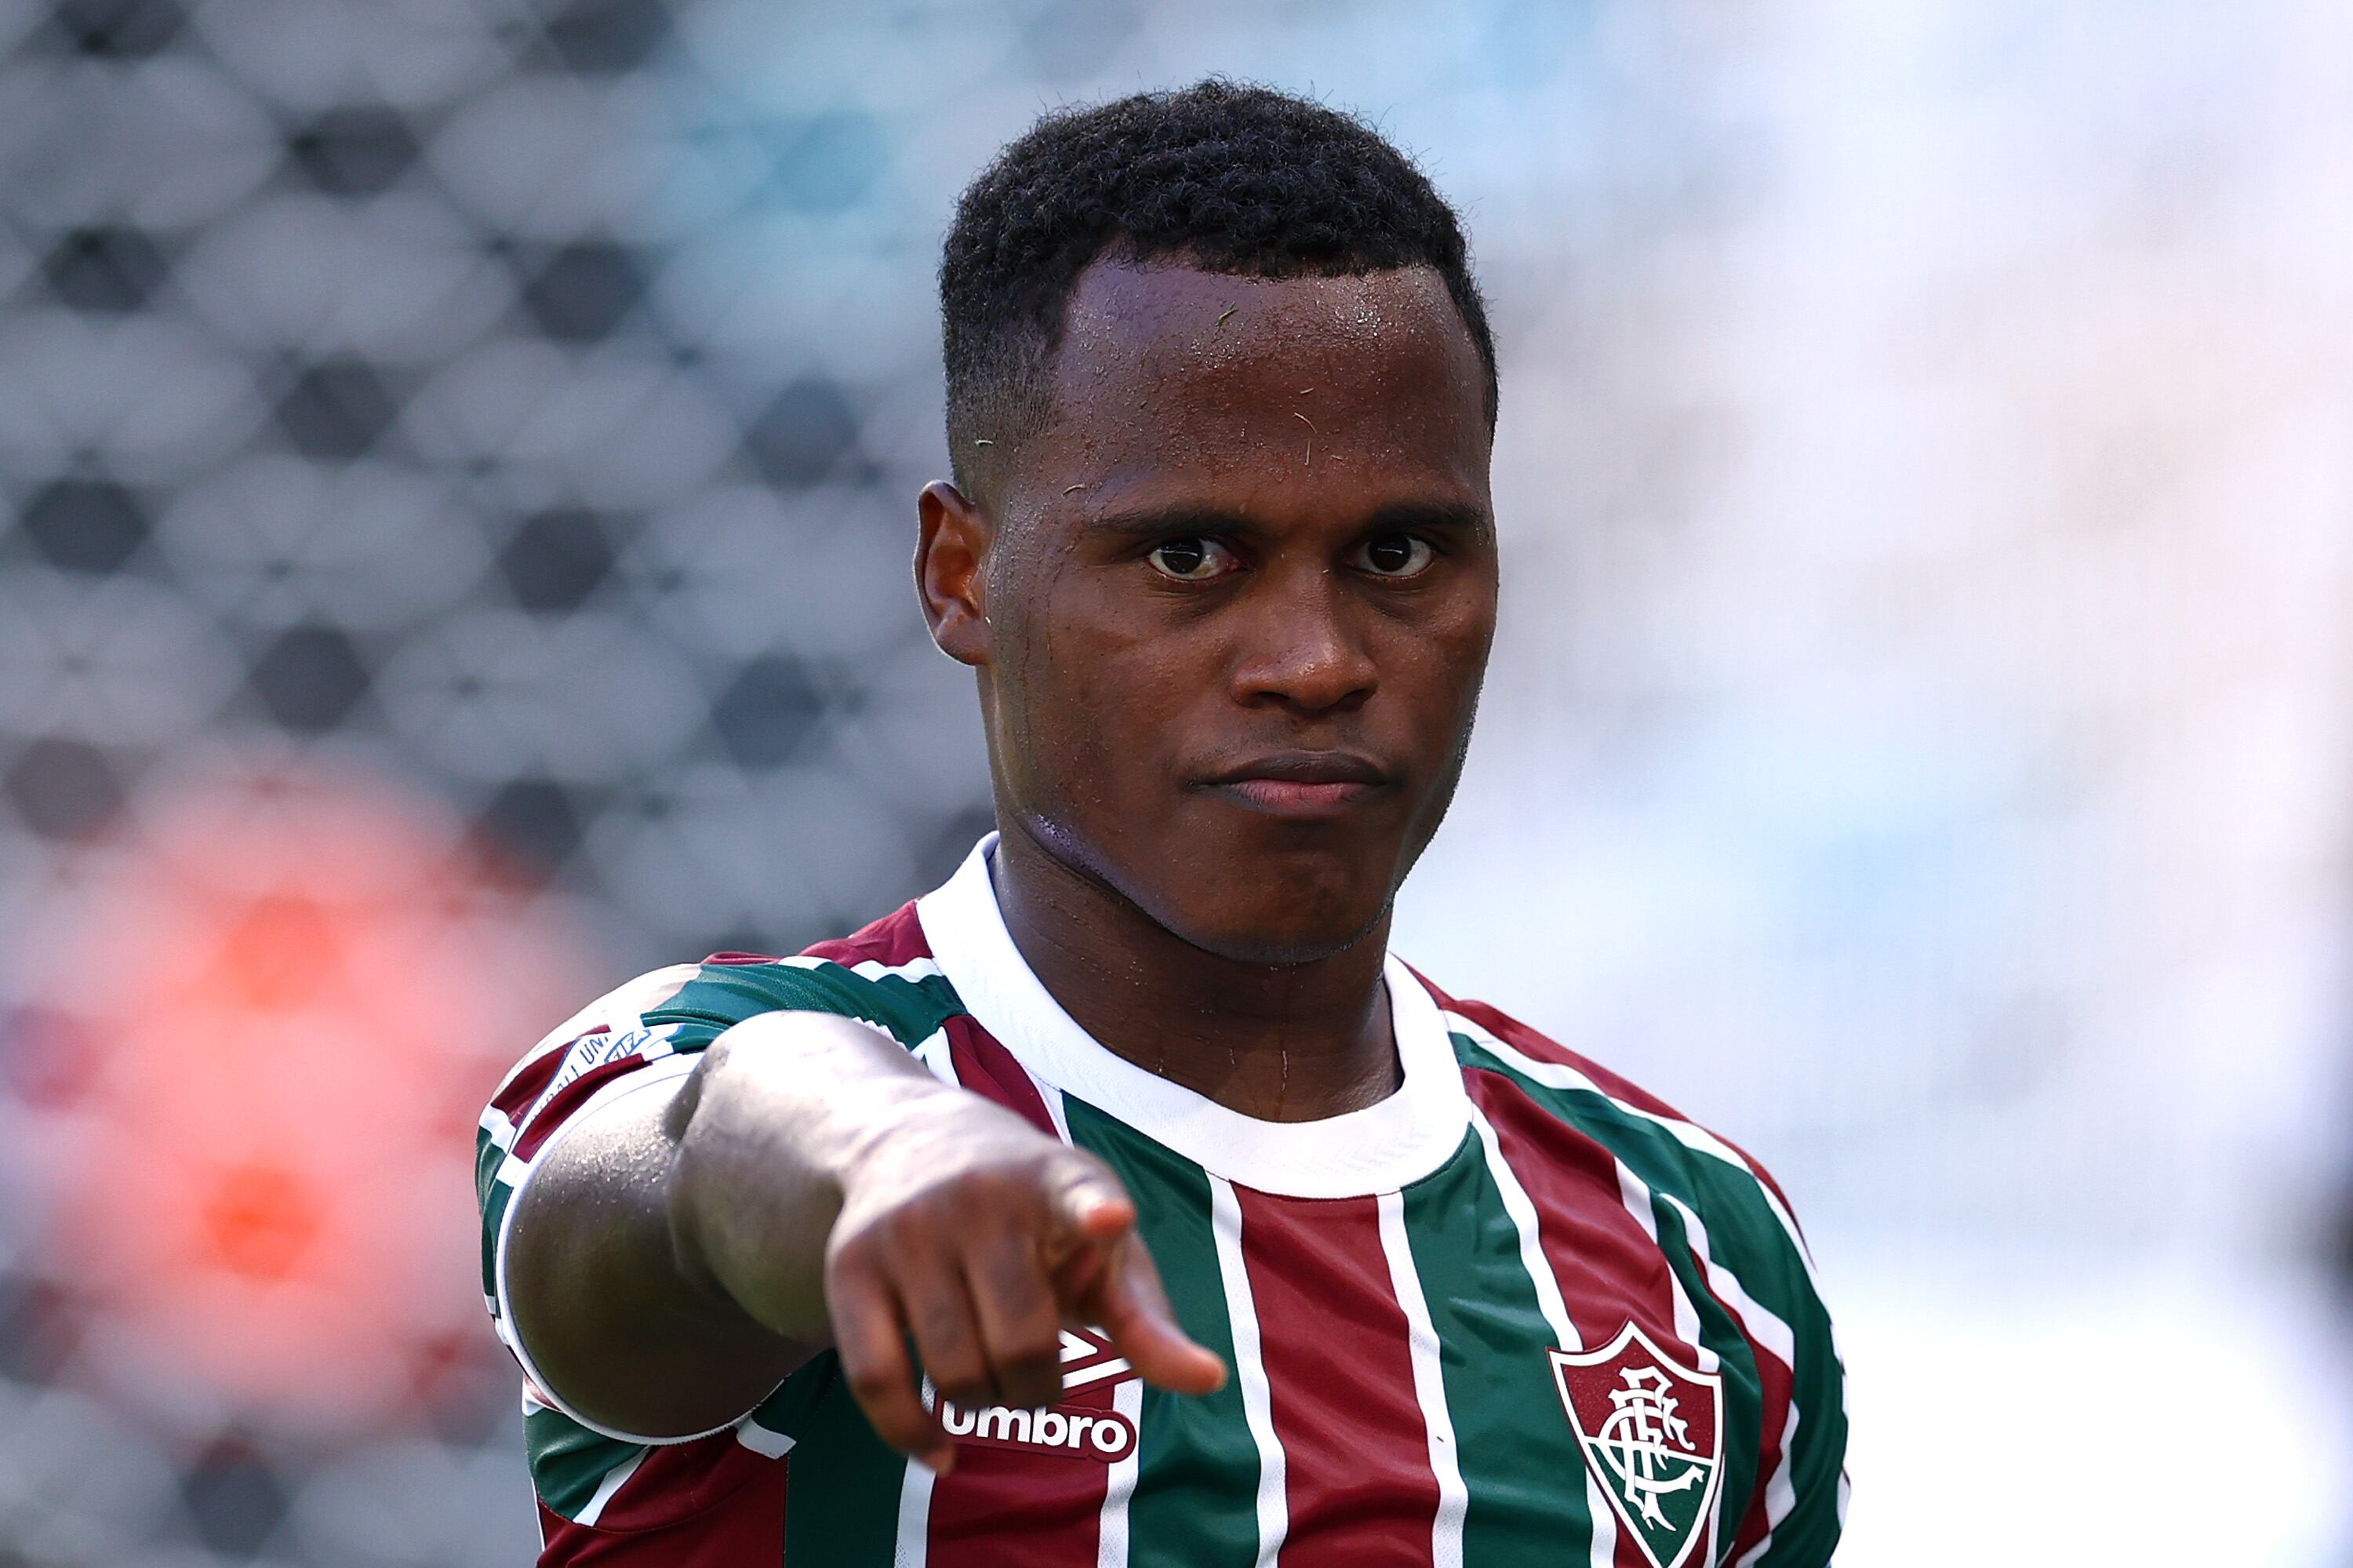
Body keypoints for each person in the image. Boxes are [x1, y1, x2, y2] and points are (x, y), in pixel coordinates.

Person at [476, 79, 1846, 1567]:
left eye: (1399, 552)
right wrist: (877, 1156)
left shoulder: (1698, 1255)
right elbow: (692, 1157)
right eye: (1190, 557)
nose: (1317, 662)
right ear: (962, 576)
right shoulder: (704, 1073)